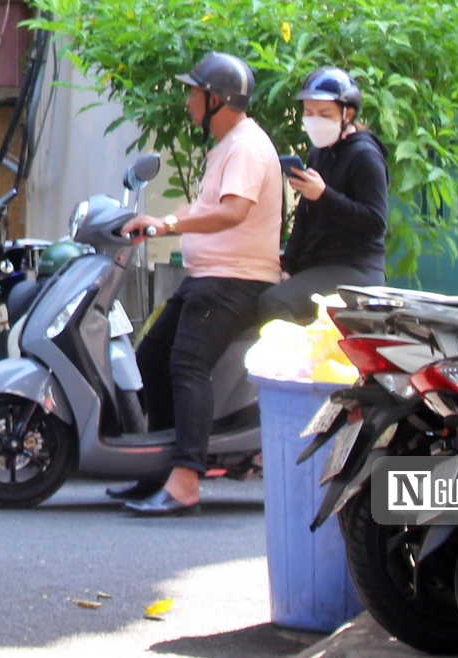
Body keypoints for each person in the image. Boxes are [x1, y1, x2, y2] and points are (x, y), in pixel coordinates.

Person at [115, 52, 283, 517]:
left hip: (234, 282)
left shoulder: (247, 147)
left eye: (194, 92)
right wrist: (153, 222)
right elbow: (202, 206)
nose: (188, 100)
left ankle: (187, 481)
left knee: (188, 365)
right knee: (149, 358)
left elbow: (232, 211)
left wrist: (167, 224)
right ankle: (160, 471)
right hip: (209, 278)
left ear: (218, 99)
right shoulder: (228, 146)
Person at [258, 67, 389, 324]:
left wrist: (325, 195)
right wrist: (287, 267)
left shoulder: (365, 155)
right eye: (309, 113)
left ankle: (299, 364)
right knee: (260, 290)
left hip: (356, 269)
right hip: (319, 265)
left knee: (274, 302)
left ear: (347, 113)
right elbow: (305, 219)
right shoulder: (319, 153)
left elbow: (375, 222)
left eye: (324, 113)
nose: (314, 119)